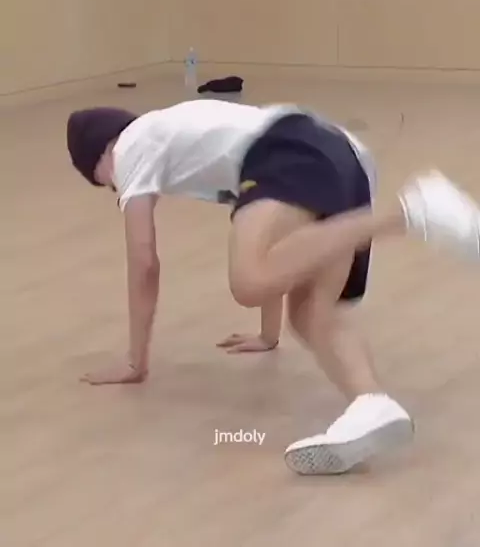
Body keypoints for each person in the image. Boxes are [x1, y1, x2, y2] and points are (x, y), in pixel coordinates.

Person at [66, 99, 480, 475]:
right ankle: (371, 404)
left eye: (105, 183)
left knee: (247, 280)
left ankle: (411, 211)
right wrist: (268, 334)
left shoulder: (130, 147)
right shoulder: (188, 141)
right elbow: (276, 243)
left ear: (101, 154)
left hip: (289, 150)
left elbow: (144, 263)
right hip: (338, 155)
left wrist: (135, 361)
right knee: (312, 315)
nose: (115, 188)